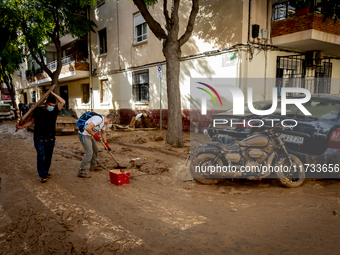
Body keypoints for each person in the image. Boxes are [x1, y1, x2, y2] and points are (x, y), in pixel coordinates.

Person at [16, 92, 66, 183]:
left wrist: (53, 94)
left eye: (53, 105)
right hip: (39, 138)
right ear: (46, 104)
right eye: (50, 105)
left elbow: (63, 102)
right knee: (41, 155)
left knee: (48, 157)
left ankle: (46, 172)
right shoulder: (38, 110)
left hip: (50, 138)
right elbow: (31, 121)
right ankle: (42, 175)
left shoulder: (55, 110)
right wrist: (22, 126)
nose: (52, 106)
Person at [78, 113, 116, 178]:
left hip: (90, 134)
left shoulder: (104, 122)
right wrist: (94, 135)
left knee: (95, 149)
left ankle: (93, 166)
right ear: (110, 120)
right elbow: (87, 128)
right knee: (89, 153)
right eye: (112, 122)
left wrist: (106, 143)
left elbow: (103, 133)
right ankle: (81, 171)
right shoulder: (98, 119)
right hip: (84, 134)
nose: (111, 124)